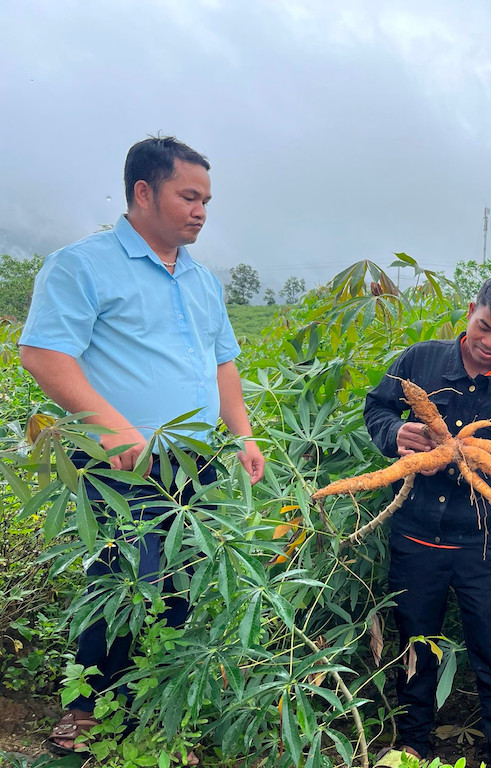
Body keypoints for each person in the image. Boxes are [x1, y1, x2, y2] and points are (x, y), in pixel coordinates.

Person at [19, 136, 264, 758]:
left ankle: (157, 703)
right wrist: (112, 425)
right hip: (121, 462)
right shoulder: (83, 265)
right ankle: (88, 708)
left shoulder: (202, 281)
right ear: (143, 192)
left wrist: (242, 435)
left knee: (183, 580)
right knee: (122, 578)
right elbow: (44, 353)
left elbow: (223, 364)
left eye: (206, 201)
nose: (201, 211)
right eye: (189, 197)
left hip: (197, 460)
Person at [363, 275, 491, 768]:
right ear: (471, 310)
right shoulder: (419, 361)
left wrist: (467, 456)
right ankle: (412, 746)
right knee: (415, 646)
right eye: (484, 327)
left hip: (482, 543)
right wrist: (397, 434)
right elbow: (377, 407)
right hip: (415, 535)